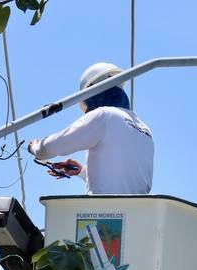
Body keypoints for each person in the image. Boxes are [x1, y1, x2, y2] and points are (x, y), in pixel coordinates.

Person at [27, 62, 154, 196]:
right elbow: (122, 180)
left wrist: (35, 147)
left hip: (102, 209)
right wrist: (82, 172)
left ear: (93, 93)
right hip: (138, 209)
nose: (88, 111)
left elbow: (51, 147)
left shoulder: (104, 115)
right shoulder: (145, 130)